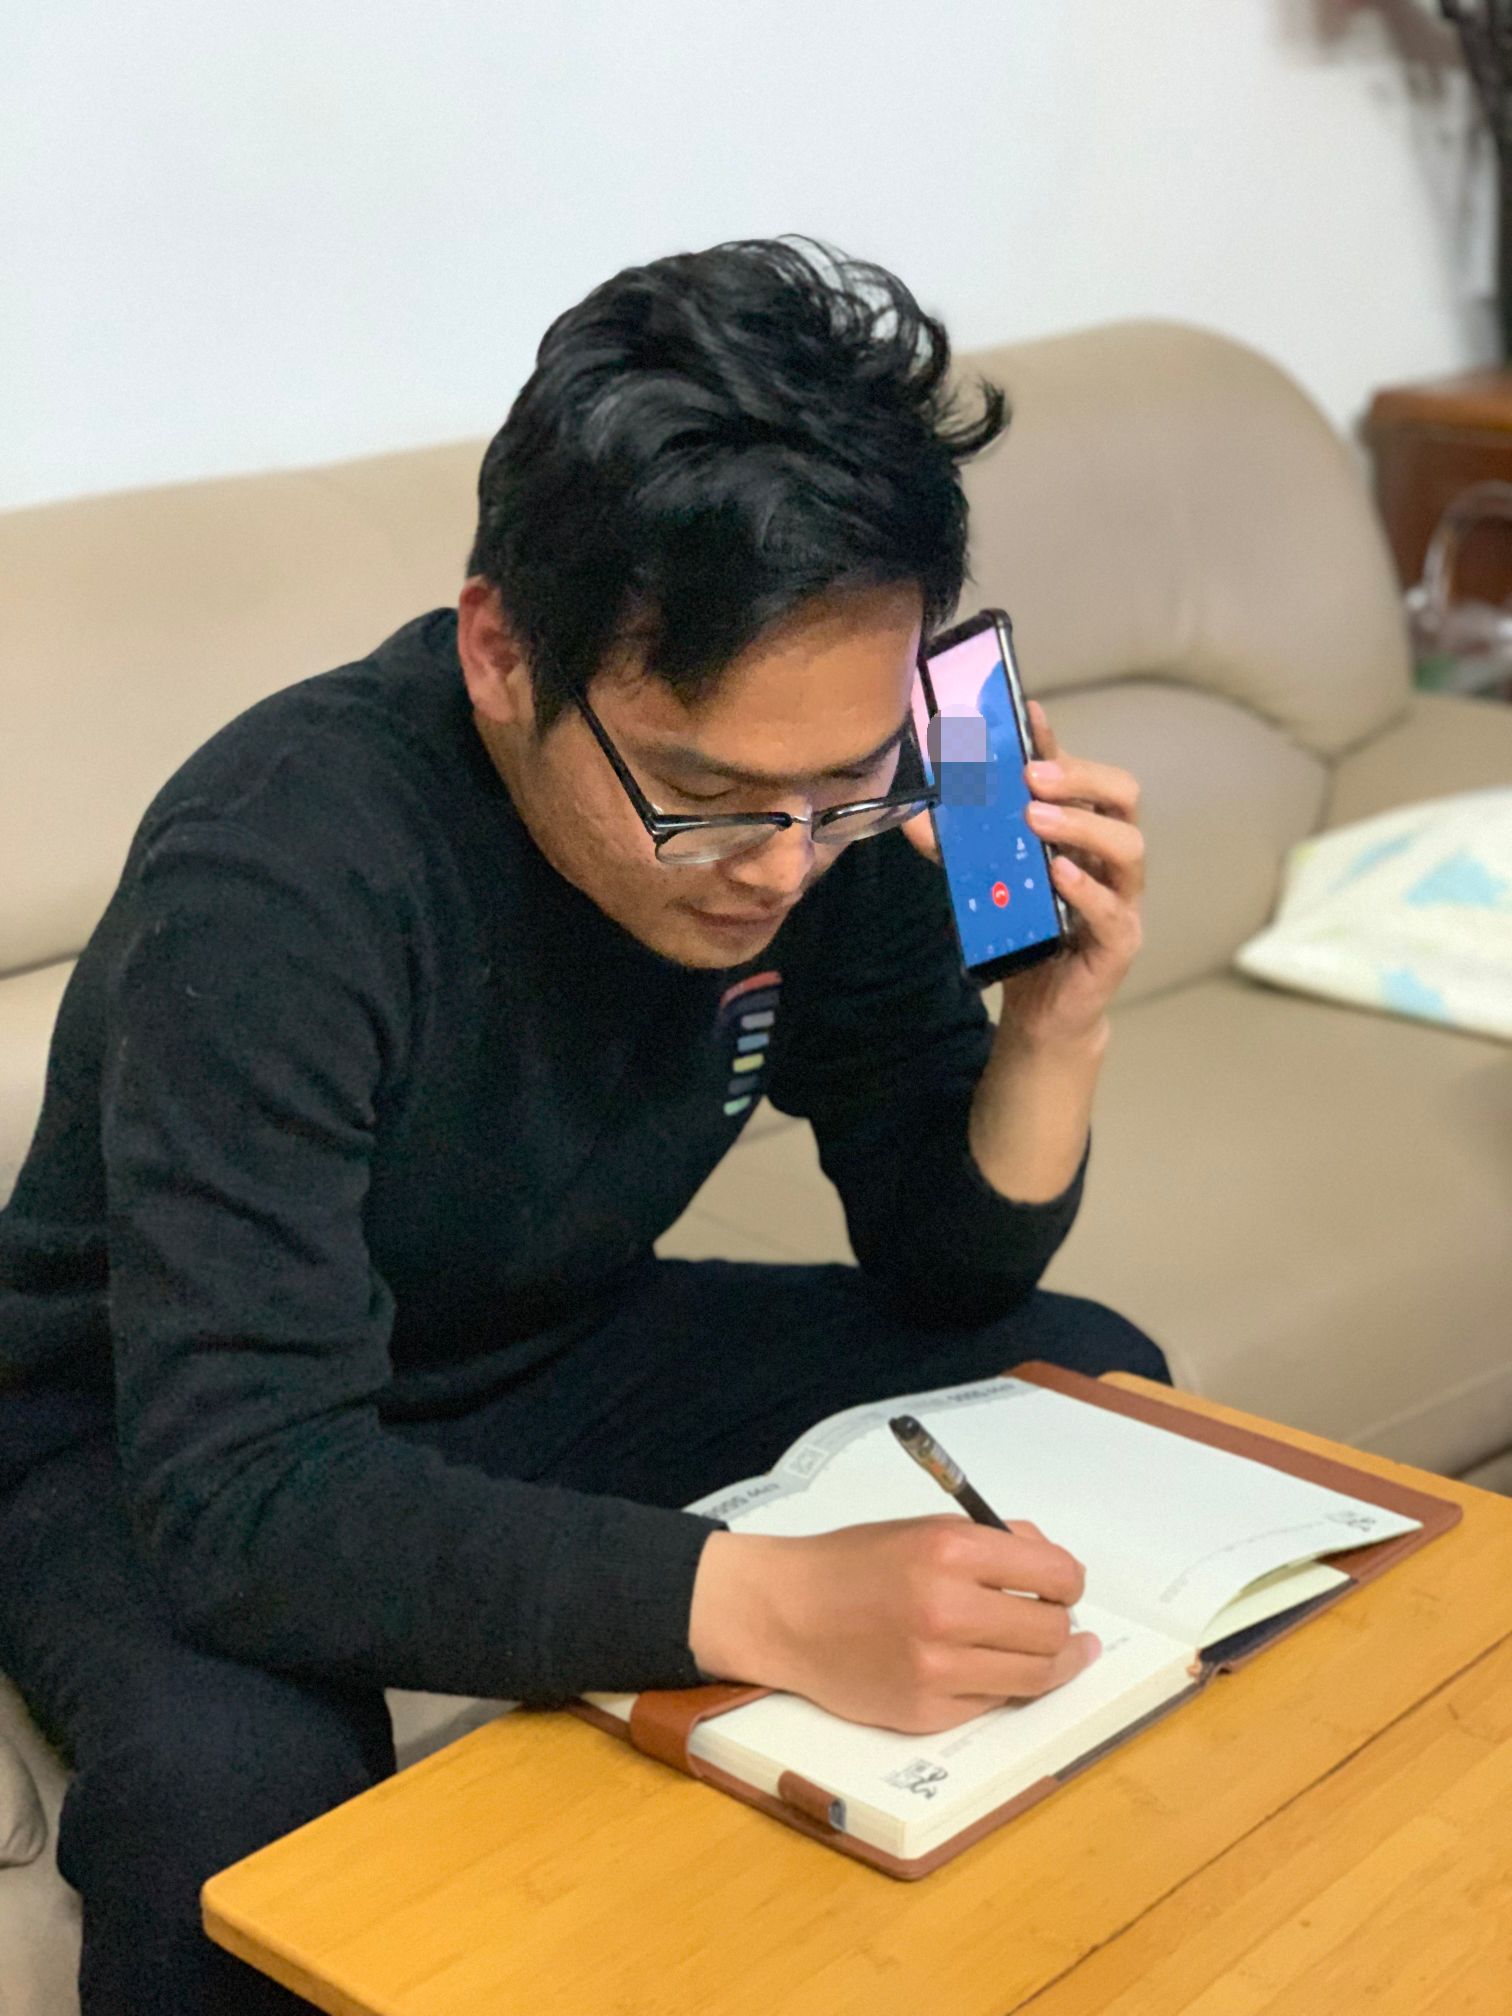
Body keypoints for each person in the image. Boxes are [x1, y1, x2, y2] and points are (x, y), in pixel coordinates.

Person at [0, 235, 1164, 2014]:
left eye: (841, 784)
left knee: (1083, 1383)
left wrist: (1054, 1023)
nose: (778, 868)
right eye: (699, 794)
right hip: (152, 1420)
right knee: (237, 1791)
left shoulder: (834, 809)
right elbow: (248, 1500)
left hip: (540, 1343)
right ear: (499, 652)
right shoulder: (281, 868)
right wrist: (768, 1602)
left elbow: (944, 1267)